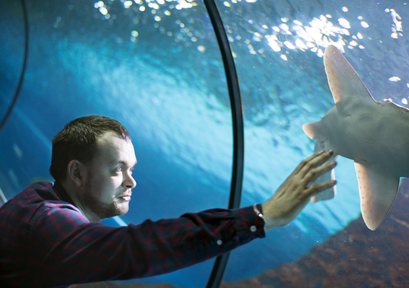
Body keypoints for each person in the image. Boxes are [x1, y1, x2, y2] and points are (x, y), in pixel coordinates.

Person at [0, 115, 336, 287]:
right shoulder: (47, 222)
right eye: (118, 169)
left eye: (132, 169)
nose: (132, 182)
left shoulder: (38, 197)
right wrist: (261, 216)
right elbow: (137, 247)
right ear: (76, 172)